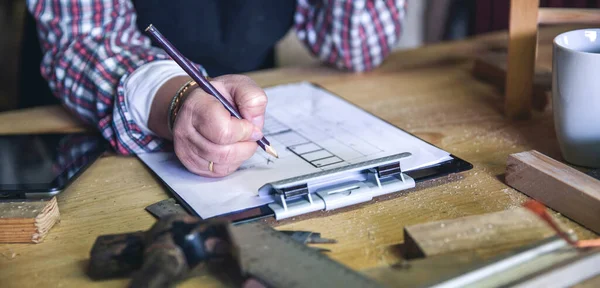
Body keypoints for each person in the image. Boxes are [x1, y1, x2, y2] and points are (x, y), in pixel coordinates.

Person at [26, 0, 406, 177]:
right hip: (77, 145)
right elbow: (82, 38)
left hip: (249, 103)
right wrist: (178, 100)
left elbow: (356, 46)